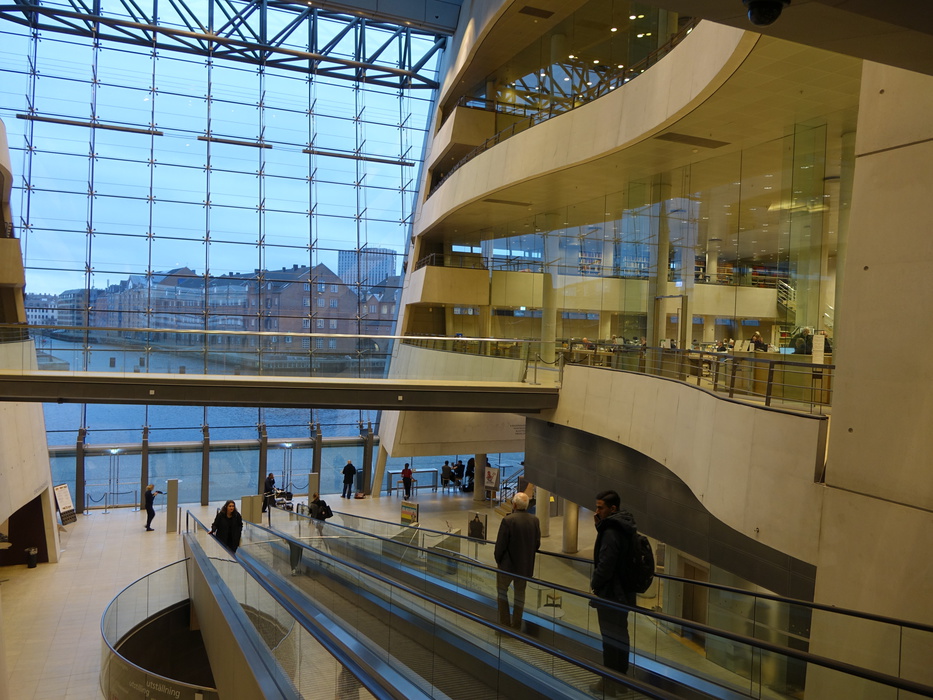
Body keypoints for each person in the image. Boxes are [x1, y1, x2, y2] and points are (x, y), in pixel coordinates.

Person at [590, 489, 638, 693]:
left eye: (600, 508)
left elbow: (606, 564)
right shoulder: (625, 527)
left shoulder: (610, 532)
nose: (597, 511)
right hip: (625, 593)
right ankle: (621, 681)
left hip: (611, 594)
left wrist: (594, 584)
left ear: (613, 508)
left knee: (609, 638)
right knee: (621, 635)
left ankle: (608, 683)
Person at [494, 492, 540, 630]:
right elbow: (537, 544)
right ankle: (516, 625)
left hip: (507, 566)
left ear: (514, 505)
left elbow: (500, 545)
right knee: (520, 595)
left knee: (502, 593)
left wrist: (499, 560)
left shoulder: (508, 520)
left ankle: (505, 625)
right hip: (524, 566)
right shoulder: (534, 520)